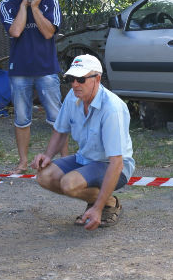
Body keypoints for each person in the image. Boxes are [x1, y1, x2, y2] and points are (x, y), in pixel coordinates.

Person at [31, 54, 135, 231]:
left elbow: (116, 163)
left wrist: (97, 208)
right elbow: (60, 130)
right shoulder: (72, 97)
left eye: (81, 79)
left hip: (113, 165)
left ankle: (108, 204)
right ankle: (98, 201)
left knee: (69, 183)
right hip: (85, 158)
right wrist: (47, 155)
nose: (75, 84)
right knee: (44, 177)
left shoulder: (112, 109)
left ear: (97, 79)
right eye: (71, 79)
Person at [0, 0, 68, 174]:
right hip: (19, 70)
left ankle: (65, 161)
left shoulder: (49, 0)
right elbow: (16, 31)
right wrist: (23, 6)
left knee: (57, 118)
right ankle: (22, 163)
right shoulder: (7, 4)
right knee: (21, 119)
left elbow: (49, 33)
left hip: (46, 68)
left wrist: (35, 7)